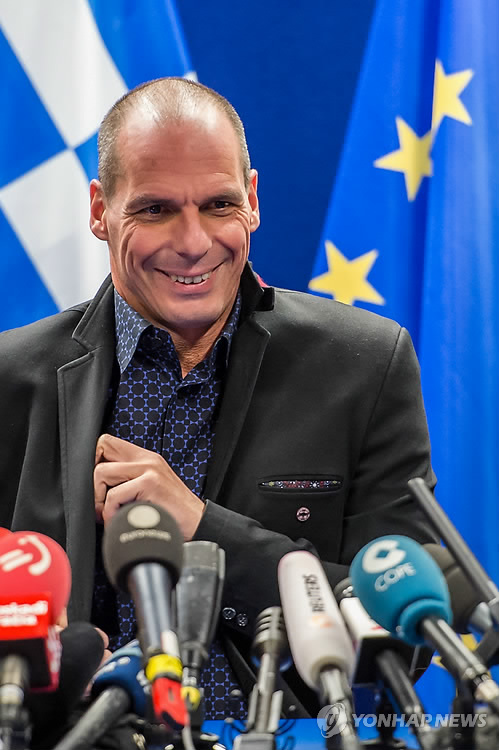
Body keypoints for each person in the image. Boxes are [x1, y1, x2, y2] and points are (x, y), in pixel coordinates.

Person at [0, 77, 436, 718]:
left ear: (252, 201)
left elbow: (409, 638)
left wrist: (204, 530)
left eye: (218, 205)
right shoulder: (10, 379)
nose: (193, 242)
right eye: (155, 210)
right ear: (99, 210)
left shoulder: (365, 365)